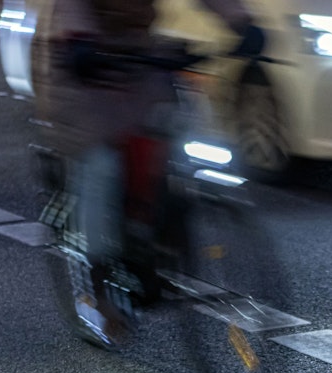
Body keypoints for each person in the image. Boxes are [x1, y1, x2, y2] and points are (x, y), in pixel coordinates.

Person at [31, 0, 264, 346]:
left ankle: (153, 238)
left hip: (138, 56)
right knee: (100, 166)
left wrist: (242, 23)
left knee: (174, 133)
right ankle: (101, 295)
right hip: (77, 61)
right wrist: (80, 41)